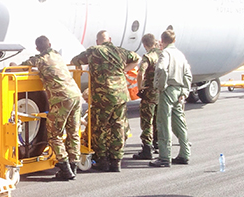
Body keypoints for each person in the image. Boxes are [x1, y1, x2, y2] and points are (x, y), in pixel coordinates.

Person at [71, 30, 140, 172]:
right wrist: (124, 70)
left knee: (99, 128)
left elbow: (75, 60)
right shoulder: (120, 51)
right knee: (118, 127)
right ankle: (116, 161)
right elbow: (137, 58)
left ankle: (102, 160)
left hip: (102, 96)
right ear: (110, 39)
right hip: (120, 95)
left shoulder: (93, 51)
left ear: (97, 41)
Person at [16, 35, 82, 180]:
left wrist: (14, 65)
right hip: (76, 95)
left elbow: (23, 66)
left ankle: (65, 168)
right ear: (50, 44)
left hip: (62, 98)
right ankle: (74, 165)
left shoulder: (39, 60)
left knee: (54, 134)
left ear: (37, 48)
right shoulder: (57, 55)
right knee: (73, 131)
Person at [150, 30, 192, 167]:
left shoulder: (165, 53)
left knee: (163, 123)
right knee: (179, 123)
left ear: (162, 41)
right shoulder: (180, 54)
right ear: (174, 40)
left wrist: (160, 85)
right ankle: (185, 153)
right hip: (179, 90)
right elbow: (188, 74)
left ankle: (164, 156)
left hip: (168, 90)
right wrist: (185, 91)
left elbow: (161, 68)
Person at [133, 34, 162, 160]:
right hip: (160, 92)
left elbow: (140, 73)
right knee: (157, 119)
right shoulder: (162, 55)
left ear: (144, 45)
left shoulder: (148, 57)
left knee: (146, 121)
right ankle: (157, 143)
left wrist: (140, 87)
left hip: (149, 92)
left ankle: (147, 148)